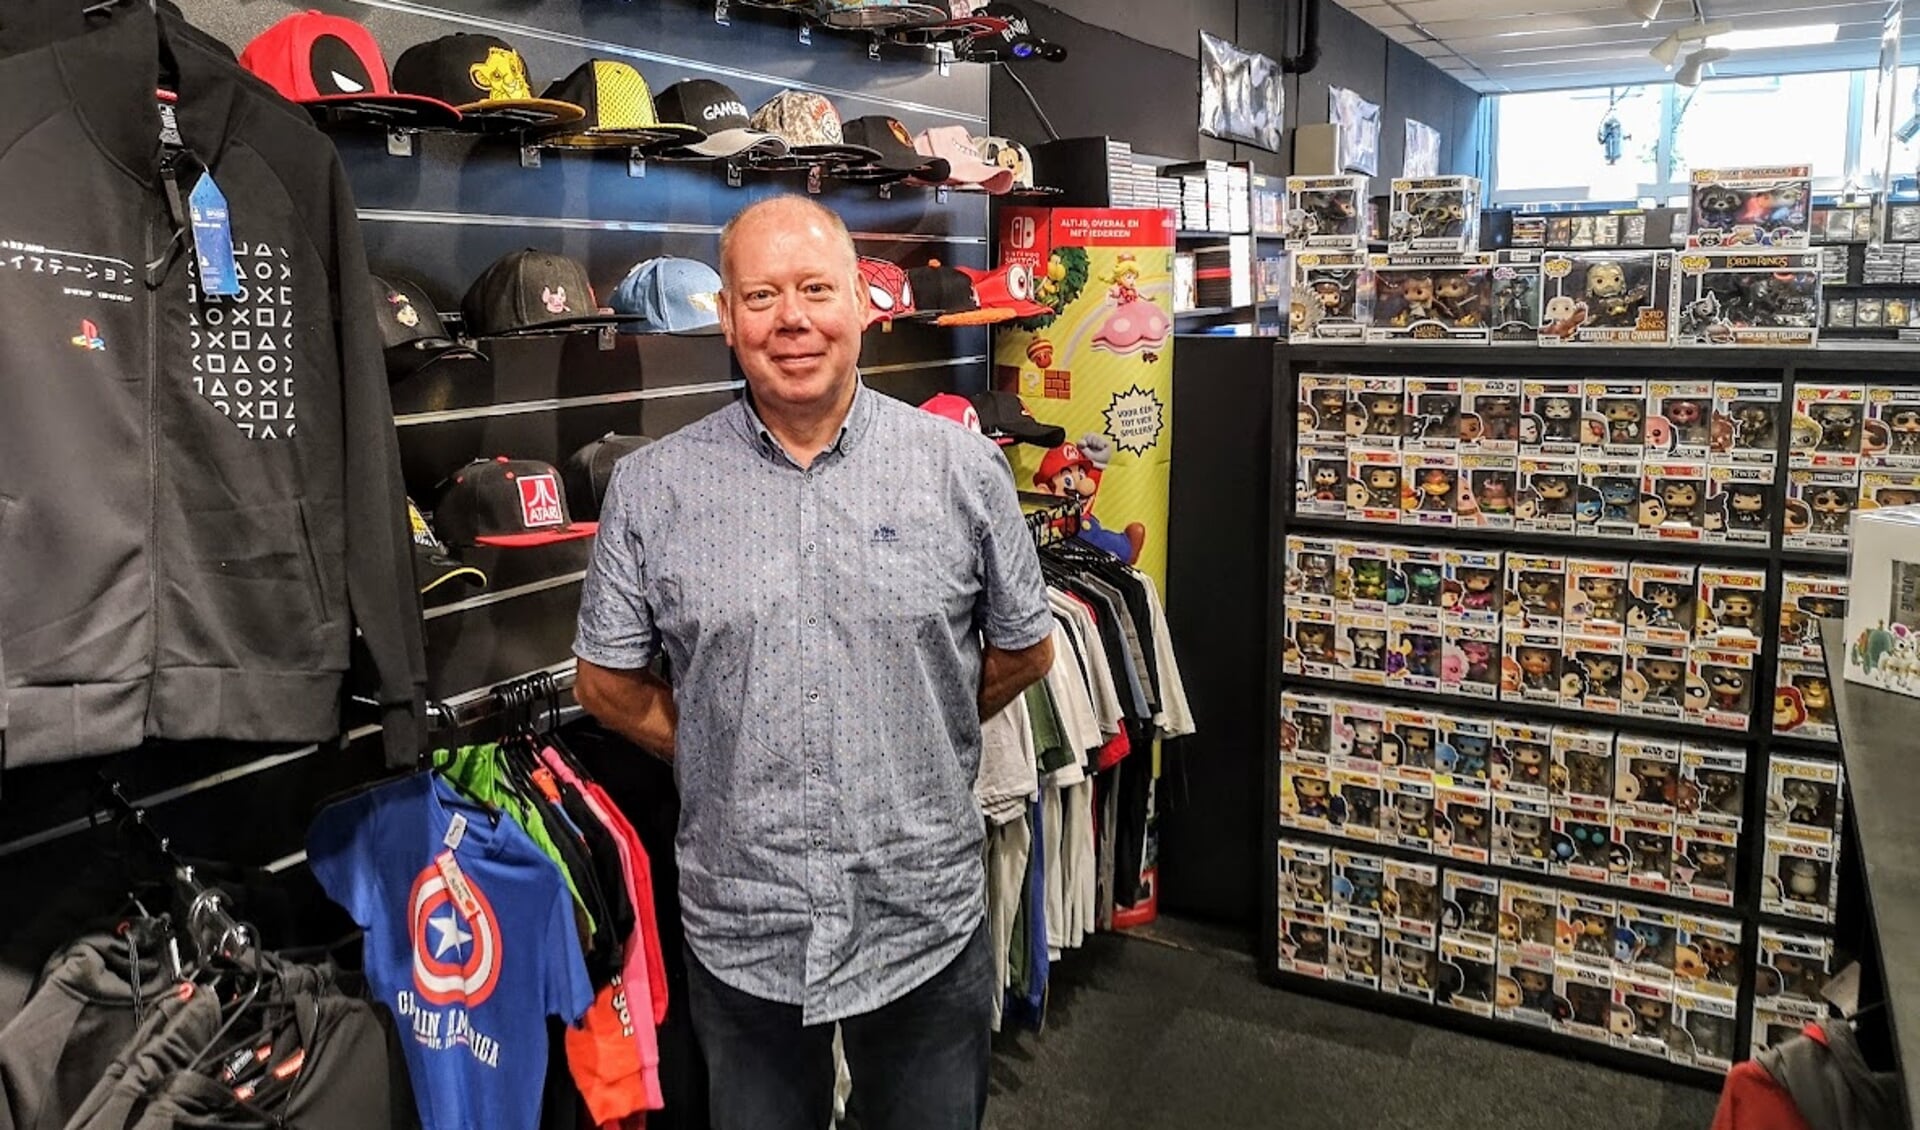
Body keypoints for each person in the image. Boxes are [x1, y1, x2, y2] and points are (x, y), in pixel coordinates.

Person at [572, 195, 1056, 1130]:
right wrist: (724, 744)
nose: (791, 319)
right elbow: (607, 684)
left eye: (815, 289)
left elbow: (1026, 648)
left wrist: (914, 732)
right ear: (727, 319)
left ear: (864, 307)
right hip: (745, 918)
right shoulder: (653, 487)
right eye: (761, 296)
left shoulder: (962, 470)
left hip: (921, 912)